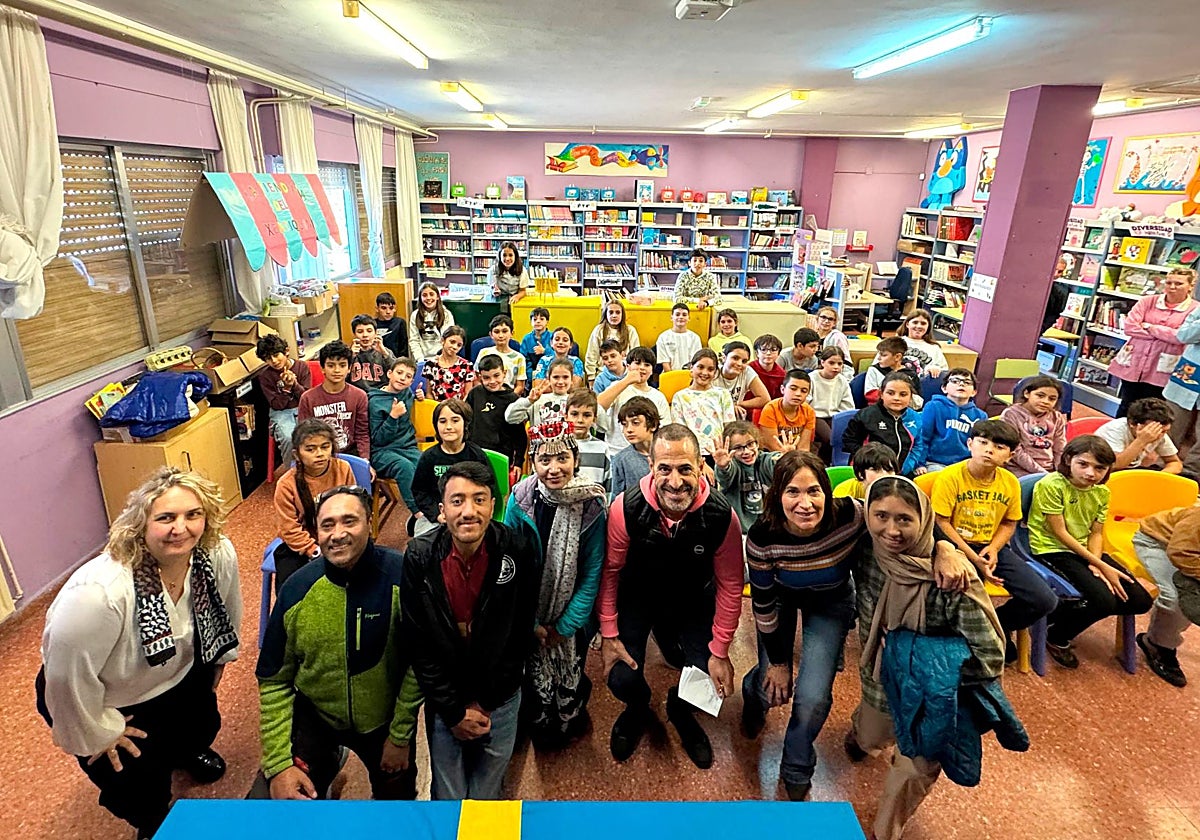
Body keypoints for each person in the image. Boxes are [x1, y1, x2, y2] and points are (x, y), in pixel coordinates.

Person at [37, 469, 242, 838]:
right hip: (108, 696)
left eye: (193, 515)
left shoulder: (215, 554)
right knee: (136, 783)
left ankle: (186, 754)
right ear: (140, 524)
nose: (181, 528)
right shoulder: (99, 594)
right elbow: (66, 679)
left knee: (201, 725)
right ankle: (152, 822)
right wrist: (100, 732)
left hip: (177, 669)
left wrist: (215, 668)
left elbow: (228, 610)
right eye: (165, 518)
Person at [846, 476, 1011, 840]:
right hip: (878, 675)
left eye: (905, 519)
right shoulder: (865, 548)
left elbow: (990, 653)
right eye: (881, 516)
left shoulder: (951, 578)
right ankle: (863, 734)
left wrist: (928, 663)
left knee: (914, 768)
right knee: (872, 734)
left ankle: (884, 831)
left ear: (924, 520)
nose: (891, 530)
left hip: (928, 694)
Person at [257, 486, 421, 802]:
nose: (338, 534)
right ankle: (327, 759)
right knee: (278, 803)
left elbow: (420, 663)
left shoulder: (402, 577)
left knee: (397, 808)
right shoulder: (297, 591)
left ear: (370, 526)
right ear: (316, 532)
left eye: (350, 521)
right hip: (314, 718)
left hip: (385, 721)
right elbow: (273, 681)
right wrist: (278, 765)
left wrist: (400, 736)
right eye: (327, 524)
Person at [599, 424, 744, 768]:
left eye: (685, 469)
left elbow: (731, 585)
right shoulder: (626, 508)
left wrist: (721, 650)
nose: (675, 481)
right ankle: (638, 707)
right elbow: (610, 572)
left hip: (692, 599)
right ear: (651, 467)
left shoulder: (722, 516)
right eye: (664, 468)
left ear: (701, 467)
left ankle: (680, 710)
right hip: (638, 597)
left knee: (709, 676)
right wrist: (607, 631)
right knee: (620, 675)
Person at [402, 462, 541, 799]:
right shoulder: (419, 557)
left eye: (479, 500)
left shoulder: (516, 549)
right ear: (441, 510)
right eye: (457, 500)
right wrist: (452, 711)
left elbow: (521, 631)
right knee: (448, 791)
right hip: (446, 698)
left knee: (489, 786)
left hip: (501, 698)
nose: (469, 511)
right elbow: (418, 644)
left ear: (494, 505)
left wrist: (488, 702)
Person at [742, 451, 861, 801]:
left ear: (827, 492)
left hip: (831, 600)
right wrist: (779, 663)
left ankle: (796, 762)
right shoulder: (763, 536)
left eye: (814, 491)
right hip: (781, 598)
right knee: (771, 688)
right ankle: (752, 694)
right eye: (793, 492)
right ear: (778, 495)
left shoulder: (851, 515)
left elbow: (906, 520)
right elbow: (762, 603)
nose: (805, 503)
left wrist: (946, 549)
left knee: (811, 696)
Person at [503, 421, 608, 749]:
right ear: (532, 462)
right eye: (544, 460)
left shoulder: (591, 504)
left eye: (562, 458)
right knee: (534, 680)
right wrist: (533, 623)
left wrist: (566, 625)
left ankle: (569, 714)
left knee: (571, 670)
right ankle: (539, 717)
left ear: (575, 458)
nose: (553, 468)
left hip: (572, 618)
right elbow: (509, 565)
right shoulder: (520, 500)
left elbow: (592, 574)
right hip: (529, 611)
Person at [931, 419, 1058, 660]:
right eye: (983, 442)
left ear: (1010, 455)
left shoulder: (1009, 481)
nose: (989, 449)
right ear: (970, 444)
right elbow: (941, 523)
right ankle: (971, 637)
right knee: (963, 591)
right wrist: (973, 558)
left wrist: (994, 548)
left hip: (992, 548)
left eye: (999, 447)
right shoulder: (950, 477)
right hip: (956, 547)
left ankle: (996, 626)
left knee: (1043, 600)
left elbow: (1010, 523)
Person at [1027, 436, 1153, 669]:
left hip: (1086, 551)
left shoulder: (1102, 493)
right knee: (1103, 601)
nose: (1091, 473)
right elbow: (1059, 533)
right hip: (1052, 548)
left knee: (1141, 600)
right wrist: (1100, 564)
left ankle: (1059, 614)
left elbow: (1096, 533)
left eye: (1099, 468)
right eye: (1083, 464)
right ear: (1068, 459)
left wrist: (1096, 563)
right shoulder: (1052, 484)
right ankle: (1057, 637)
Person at [273, 419, 356, 591]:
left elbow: (354, 508)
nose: (319, 454)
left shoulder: (343, 468)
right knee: (291, 588)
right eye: (310, 449)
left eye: (325, 447)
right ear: (297, 455)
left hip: (340, 536)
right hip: (304, 545)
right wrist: (314, 550)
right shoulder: (286, 484)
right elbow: (289, 529)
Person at [1107, 267, 1198, 417]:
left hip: (1163, 368)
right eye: (1169, 282)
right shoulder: (1147, 301)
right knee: (1127, 405)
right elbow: (1130, 327)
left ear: (1190, 286)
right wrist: (1166, 333)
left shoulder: (1195, 309)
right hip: (1135, 364)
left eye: (1178, 283)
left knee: (1153, 411)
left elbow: (1181, 337)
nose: (1172, 287)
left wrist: (1150, 327)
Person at [1132, 502, 1200, 686]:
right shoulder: (1197, 517)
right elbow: (1181, 552)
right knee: (1177, 599)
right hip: (1157, 543)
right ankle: (1157, 644)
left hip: (1190, 551)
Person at [411, 399, 491, 536]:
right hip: (438, 516)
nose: (448, 426)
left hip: (469, 513)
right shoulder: (428, 457)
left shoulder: (476, 455)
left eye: (455, 420)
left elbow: (488, 488)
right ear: (436, 425)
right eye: (442, 421)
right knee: (423, 543)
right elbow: (419, 491)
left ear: (465, 424)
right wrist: (436, 515)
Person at [368, 357, 423, 518]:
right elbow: (377, 439)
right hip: (381, 451)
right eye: (399, 373)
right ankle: (417, 513)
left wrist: (418, 395)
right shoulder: (375, 401)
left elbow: (412, 397)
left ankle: (431, 504)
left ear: (411, 381)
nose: (402, 378)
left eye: (408, 377)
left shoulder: (406, 392)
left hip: (407, 446)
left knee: (426, 463)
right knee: (404, 467)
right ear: (389, 373)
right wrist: (393, 417)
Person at [298, 340, 370, 459]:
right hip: (319, 455)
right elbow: (303, 435)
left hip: (350, 454)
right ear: (322, 368)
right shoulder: (308, 398)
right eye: (331, 365)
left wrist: (365, 461)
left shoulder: (359, 396)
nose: (337, 370)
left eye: (342, 365)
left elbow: (362, 434)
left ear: (349, 368)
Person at [596, 346, 671, 458]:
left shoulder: (658, 396)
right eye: (637, 363)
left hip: (647, 454)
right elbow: (598, 405)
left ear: (652, 371)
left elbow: (664, 429)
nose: (642, 368)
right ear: (628, 366)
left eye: (647, 365)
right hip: (615, 451)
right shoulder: (617, 387)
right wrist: (627, 381)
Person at [843, 372, 924, 476]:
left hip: (902, 473)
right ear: (881, 394)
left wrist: (908, 466)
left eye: (903, 394)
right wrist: (870, 464)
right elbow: (849, 441)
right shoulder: (866, 416)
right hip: (869, 473)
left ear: (911, 396)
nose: (896, 398)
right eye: (890, 393)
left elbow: (918, 446)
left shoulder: (916, 418)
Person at [256, 333, 311, 471]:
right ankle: (292, 473)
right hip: (281, 412)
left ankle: (312, 469)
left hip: (302, 407)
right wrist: (286, 389)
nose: (274, 361)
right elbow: (276, 405)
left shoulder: (302, 367)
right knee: (288, 437)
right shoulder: (265, 376)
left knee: (312, 434)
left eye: (276, 354)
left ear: (286, 351)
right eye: (268, 358)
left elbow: (307, 397)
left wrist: (295, 385)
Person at [713, 421, 780, 534]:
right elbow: (725, 476)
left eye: (750, 444)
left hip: (769, 530)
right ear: (729, 450)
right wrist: (723, 466)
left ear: (757, 443)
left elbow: (775, 463)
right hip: (740, 532)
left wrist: (786, 459)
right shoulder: (733, 465)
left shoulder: (764, 460)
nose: (747, 451)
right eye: (738, 448)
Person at [670, 349, 737, 458]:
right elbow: (679, 431)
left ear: (715, 373)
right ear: (691, 368)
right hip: (691, 453)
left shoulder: (723, 394)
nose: (705, 373)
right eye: (700, 367)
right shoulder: (680, 397)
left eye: (710, 369)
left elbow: (729, 427)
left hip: (719, 452)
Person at [465, 354, 527, 471]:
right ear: (480, 377)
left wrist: (518, 462)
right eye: (486, 378)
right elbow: (466, 421)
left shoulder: (512, 399)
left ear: (504, 373)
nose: (492, 381)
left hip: (502, 455)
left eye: (496, 375)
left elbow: (519, 435)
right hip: (474, 452)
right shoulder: (475, 393)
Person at [917, 369, 987, 472]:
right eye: (955, 381)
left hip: (965, 466)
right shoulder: (933, 406)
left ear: (974, 392)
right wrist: (920, 464)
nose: (961, 384)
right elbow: (923, 438)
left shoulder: (981, 416)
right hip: (934, 463)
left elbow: (980, 446)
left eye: (967, 382)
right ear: (944, 388)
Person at [1000, 375, 1068, 478]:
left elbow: (1060, 448)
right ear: (1027, 393)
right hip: (1019, 469)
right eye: (1040, 396)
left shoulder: (1057, 417)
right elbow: (1016, 451)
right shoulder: (1011, 414)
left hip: (1050, 470)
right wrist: (1043, 474)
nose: (1046, 401)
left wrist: (1060, 472)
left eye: (1052, 399)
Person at [1096, 397, 1183, 473]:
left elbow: (1175, 463)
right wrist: (1142, 440)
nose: (1159, 435)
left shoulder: (1159, 433)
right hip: (1104, 471)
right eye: (1151, 429)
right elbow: (1116, 465)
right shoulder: (1114, 430)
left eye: (1164, 431)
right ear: (1132, 424)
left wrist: (1158, 477)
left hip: (1133, 471)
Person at [1164, 296, 1200, 480]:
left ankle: (1191, 475)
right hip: (1188, 377)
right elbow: (1184, 335)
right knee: (1171, 424)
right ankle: (1163, 465)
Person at [809, 347, 855, 461]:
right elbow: (806, 402)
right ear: (822, 362)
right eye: (831, 363)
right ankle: (822, 461)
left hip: (835, 416)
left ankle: (831, 461)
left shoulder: (842, 380)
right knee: (831, 439)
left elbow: (847, 404)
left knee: (843, 437)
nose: (836, 367)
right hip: (816, 416)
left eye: (840, 364)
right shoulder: (812, 378)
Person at [609, 396, 659, 500]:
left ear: (653, 425)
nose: (629, 430)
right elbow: (617, 499)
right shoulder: (620, 460)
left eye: (635, 423)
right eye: (624, 424)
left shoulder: (668, 454)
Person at [758, 369, 816, 453]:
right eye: (793, 388)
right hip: (773, 455)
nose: (798, 394)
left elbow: (804, 447)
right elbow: (772, 446)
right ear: (782, 389)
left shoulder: (809, 411)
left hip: (796, 454)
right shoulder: (770, 409)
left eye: (803, 391)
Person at [507, 357, 575, 426]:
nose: (560, 381)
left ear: (572, 379)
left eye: (565, 377)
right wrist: (529, 401)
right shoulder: (537, 401)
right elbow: (510, 418)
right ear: (548, 379)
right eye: (556, 377)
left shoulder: (576, 401)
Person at [585, 298, 641, 380]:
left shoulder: (630, 331)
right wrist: (591, 378)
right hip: (603, 374)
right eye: (611, 312)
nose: (614, 315)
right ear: (605, 314)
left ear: (622, 315)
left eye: (618, 312)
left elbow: (636, 356)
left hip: (625, 375)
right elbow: (591, 355)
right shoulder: (599, 330)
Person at [715, 340, 771, 420]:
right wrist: (729, 407)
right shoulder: (713, 371)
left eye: (744, 361)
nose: (739, 364)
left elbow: (765, 399)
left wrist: (737, 404)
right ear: (724, 358)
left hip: (733, 418)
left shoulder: (747, 371)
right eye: (735, 358)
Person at [419, 325, 475, 403]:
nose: (455, 347)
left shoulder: (467, 365)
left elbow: (467, 394)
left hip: (459, 409)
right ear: (442, 341)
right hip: (437, 408)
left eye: (459, 345)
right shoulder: (430, 365)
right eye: (452, 342)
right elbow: (429, 393)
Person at [566, 389, 610, 489]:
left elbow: (608, 484)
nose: (580, 420)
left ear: (594, 419)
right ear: (566, 416)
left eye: (587, 415)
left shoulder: (601, 448)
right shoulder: (558, 446)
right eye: (574, 414)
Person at [865, 336, 922, 409]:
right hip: (879, 411)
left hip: (905, 413)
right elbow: (870, 395)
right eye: (879, 354)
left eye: (884, 355)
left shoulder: (911, 374)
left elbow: (919, 402)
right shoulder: (874, 370)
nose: (879, 358)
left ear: (897, 357)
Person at [476, 314, 527, 394]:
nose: (500, 335)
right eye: (496, 332)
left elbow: (520, 386)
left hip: (508, 397)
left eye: (504, 331)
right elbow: (477, 379)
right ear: (491, 335)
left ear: (512, 333)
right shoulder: (484, 352)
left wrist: (508, 399)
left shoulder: (519, 358)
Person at [893, 309, 949, 379]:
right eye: (915, 322)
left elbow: (944, 373)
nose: (919, 326)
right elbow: (878, 366)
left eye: (923, 323)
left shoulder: (934, 348)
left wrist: (936, 369)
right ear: (907, 324)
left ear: (928, 326)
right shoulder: (895, 343)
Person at [349, 314, 396, 392]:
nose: (365, 335)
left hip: (381, 393)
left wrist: (384, 353)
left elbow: (397, 374)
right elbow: (342, 378)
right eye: (360, 332)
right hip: (358, 394)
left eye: (369, 331)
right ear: (354, 334)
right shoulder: (348, 354)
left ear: (376, 333)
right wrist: (351, 357)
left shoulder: (385, 351)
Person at [833, 442, 898, 500]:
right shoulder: (843, 492)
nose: (884, 475)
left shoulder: (901, 494)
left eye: (889, 470)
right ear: (860, 474)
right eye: (876, 470)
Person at [409, 281, 455, 361]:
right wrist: (420, 360)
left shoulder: (446, 314)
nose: (428, 298)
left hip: (442, 358)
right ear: (420, 298)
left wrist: (441, 358)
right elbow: (414, 341)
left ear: (437, 297)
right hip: (422, 359)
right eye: (424, 295)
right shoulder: (415, 315)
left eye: (431, 294)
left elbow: (449, 339)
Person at [656, 303, 703, 372]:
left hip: (690, 375)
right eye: (677, 314)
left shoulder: (695, 338)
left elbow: (696, 362)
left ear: (689, 318)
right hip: (669, 376)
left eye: (684, 315)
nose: (681, 317)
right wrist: (674, 378)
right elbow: (665, 364)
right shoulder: (663, 337)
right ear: (671, 317)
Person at [489, 240, 533, 314]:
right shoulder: (493, 270)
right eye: (504, 255)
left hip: (515, 299)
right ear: (499, 256)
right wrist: (494, 290)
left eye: (510, 255)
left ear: (515, 256)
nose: (507, 259)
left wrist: (517, 296)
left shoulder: (522, 270)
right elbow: (492, 286)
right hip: (500, 300)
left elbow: (523, 291)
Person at [750, 334, 786, 410]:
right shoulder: (748, 369)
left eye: (773, 350)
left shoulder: (782, 374)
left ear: (778, 353)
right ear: (757, 353)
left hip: (770, 410)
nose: (768, 353)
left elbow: (780, 399)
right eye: (763, 350)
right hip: (748, 407)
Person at [520, 306, 552, 382]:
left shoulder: (553, 337)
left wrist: (545, 351)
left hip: (550, 372)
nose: (538, 321)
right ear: (531, 322)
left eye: (541, 319)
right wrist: (531, 376)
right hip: (532, 374)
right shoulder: (526, 339)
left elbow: (558, 356)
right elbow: (524, 360)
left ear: (547, 321)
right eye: (534, 319)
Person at [374, 291, 410, 359]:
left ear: (395, 309)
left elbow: (404, 348)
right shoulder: (372, 324)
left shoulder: (400, 323)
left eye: (391, 308)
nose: (388, 312)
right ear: (377, 308)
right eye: (384, 308)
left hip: (394, 360)